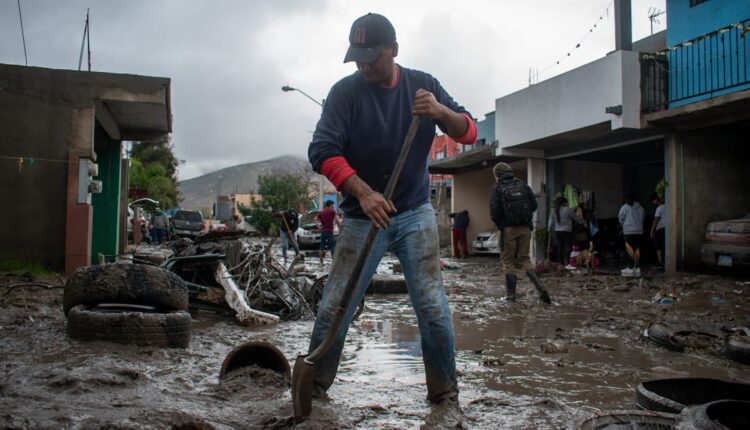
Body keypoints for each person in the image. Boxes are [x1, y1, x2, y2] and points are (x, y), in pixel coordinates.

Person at [306, 12, 477, 415]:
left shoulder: (423, 86)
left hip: (414, 212)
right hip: (362, 218)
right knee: (335, 306)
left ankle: (444, 396)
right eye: (357, 58)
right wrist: (363, 192)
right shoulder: (345, 94)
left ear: (394, 51)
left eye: (372, 57)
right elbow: (322, 151)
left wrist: (439, 112)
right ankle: (312, 387)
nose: (364, 66)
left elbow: (467, 130)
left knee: (432, 306)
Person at [489, 162, 549, 303]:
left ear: (497, 175)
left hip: (508, 230)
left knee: (508, 261)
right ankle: (541, 289)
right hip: (526, 228)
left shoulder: (497, 188)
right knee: (525, 259)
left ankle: (511, 296)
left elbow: (494, 211)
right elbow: (534, 205)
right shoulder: (523, 185)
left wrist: (502, 225)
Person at [548, 196, 583, 269]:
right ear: (564, 203)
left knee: (560, 246)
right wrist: (583, 222)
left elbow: (551, 221)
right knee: (568, 246)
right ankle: (568, 263)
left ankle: (561, 263)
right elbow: (575, 218)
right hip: (567, 231)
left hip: (557, 231)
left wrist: (549, 229)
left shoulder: (553, 210)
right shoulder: (568, 209)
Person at [618, 195, 645, 277]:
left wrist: (623, 227)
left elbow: (621, 219)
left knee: (629, 249)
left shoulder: (625, 207)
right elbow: (643, 217)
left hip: (629, 231)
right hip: (639, 231)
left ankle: (629, 267)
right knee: (637, 249)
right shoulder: (640, 207)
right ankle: (637, 268)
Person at [650, 193, 666, 270]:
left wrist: (652, 231)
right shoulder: (668, 206)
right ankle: (664, 262)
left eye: (653, 201)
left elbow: (655, 220)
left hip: (660, 229)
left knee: (658, 246)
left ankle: (660, 261)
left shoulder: (659, 208)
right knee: (664, 245)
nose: (653, 203)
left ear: (656, 200)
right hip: (667, 228)